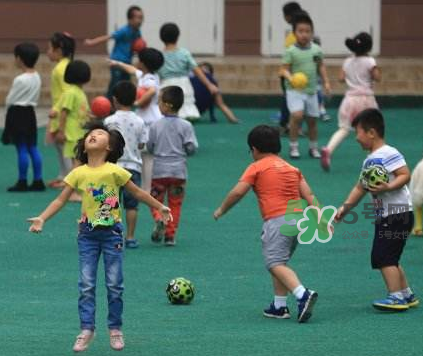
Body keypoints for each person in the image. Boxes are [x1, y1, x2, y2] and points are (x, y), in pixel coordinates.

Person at [27, 121, 172, 352]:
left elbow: (137, 192)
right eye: (90, 134)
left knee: (115, 284)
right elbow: (61, 199)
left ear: (109, 147)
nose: (93, 136)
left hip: (112, 234)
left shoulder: (116, 171)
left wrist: (159, 207)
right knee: (86, 284)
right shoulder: (78, 173)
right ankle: (87, 329)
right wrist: (43, 218)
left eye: (100, 134)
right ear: (84, 147)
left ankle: (115, 329)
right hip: (87, 236)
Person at [214, 125, 319, 323]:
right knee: (280, 262)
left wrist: (221, 210)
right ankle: (279, 306)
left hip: (277, 220)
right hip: (298, 220)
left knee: (274, 263)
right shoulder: (292, 168)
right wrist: (320, 216)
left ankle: (302, 294)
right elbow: (309, 195)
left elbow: (238, 192)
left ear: (254, 149)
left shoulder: (256, 167)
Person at [335, 108, 418, 311]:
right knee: (392, 256)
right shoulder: (369, 160)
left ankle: (395, 297)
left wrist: (388, 187)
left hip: (396, 213)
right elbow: (360, 188)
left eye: (358, 133)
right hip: (392, 214)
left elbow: (404, 174)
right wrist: (345, 208)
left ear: (371, 133)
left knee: (383, 257)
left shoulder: (388, 153)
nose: (356, 139)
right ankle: (406, 294)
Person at [321, 32, 380, 171]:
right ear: (369, 47)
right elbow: (377, 77)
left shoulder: (347, 61)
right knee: (372, 129)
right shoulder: (370, 61)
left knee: (343, 129)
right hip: (366, 100)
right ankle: (372, 159)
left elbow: (341, 78)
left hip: (350, 100)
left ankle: (328, 150)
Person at [108, 47, 164, 193]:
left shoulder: (150, 80)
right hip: (146, 119)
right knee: (144, 154)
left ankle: (147, 187)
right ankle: (145, 185)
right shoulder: (146, 75)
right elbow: (132, 70)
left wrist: (137, 103)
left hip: (149, 120)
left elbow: (151, 91)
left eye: (139, 59)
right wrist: (117, 63)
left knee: (147, 155)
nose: (136, 61)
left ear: (144, 63)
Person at [147, 86, 198, 246]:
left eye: (159, 102)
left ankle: (158, 218)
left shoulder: (155, 125)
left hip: (159, 171)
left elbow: (150, 146)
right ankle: (170, 236)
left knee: (154, 200)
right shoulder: (186, 125)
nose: (158, 104)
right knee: (175, 204)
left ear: (167, 105)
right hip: (178, 171)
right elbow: (191, 147)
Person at [280, 12, 331, 159]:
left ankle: (313, 147)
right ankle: (293, 147)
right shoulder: (290, 51)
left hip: (311, 91)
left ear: (312, 33)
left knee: (312, 121)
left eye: (307, 31)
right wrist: (292, 77)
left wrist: (326, 82)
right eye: (301, 31)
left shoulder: (316, 50)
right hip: (294, 90)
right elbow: (284, 69)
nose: (304, 34)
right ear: (294, 33)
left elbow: (321, 66)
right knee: (297, 116)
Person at [105, 81, 147, 248]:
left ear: (114, 100)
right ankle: (130, 237)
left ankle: (110, 236)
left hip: (112, 167)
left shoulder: (109, 121)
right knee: (132, 204)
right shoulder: (139, 121)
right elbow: (142, 144)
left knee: (110, 202)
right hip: (132, 167)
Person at [2, 42, 44, 192]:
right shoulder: (37, 76)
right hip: (30, 113)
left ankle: (22, 181)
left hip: (17, 113)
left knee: (21, 147)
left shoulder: (20, 79)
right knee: (32, 146)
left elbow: (10, 100)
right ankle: (38, 180)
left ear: (19, 59)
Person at [158, 22, 218, 121]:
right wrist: (209, 85)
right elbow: (197, 71)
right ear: (177, 37)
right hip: (184, 85)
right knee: (185, 114)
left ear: (161, 38)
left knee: (167, 112)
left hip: (166, 85)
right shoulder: (184, 53)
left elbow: (157, 74)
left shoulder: (160, 56)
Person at [84, 5, 143, 99]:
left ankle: (124, 104)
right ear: (130, 19)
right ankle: (107, 104)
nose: (140, 21)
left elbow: (139, 46)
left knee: (127, 85)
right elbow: (108, 37)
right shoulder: (124, 30)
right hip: (116, 62)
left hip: (127, 63)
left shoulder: (137, 32)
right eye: (138, 18)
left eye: (141, 18)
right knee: (115, 85)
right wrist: (92, 42)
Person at [55, 60, 91, 201]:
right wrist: (61, 131)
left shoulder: (79, 92)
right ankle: (72, 192)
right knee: (77, 164)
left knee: (79, 163)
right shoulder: (71, 92)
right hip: (72, 135)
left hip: (79, 134)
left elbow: (80, 112)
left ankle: (74, 190)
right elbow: (64, 112)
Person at [46, 32, 76, 188]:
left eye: (50, 48)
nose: (47, 52)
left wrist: (56, 110)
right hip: (60, 110)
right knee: (59, 146)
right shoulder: (63, 66)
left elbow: (66, 93)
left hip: (63, 112)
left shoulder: (60, 69)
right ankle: (63, 175)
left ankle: (68, 179)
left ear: (58, 50)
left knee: (64, 146)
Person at [278, 2, 302, 133]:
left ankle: (287, 124)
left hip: (291, 73)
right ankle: (289, 125)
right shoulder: (294, 36)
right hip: (291, 73)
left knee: (289, 99)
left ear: (288, 16)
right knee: (292, 99)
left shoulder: (292, 37)